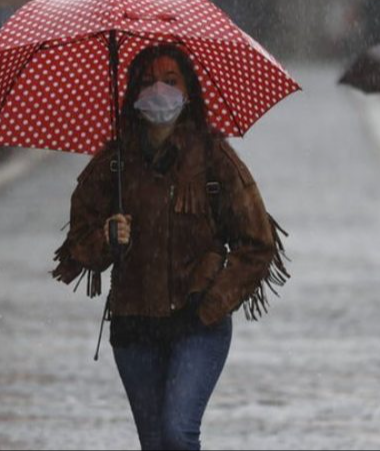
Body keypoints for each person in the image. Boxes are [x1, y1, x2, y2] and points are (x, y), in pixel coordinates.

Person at [53, 43, 288, 451]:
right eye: (148, 81)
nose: (158, 90)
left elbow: (257, 244)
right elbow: (77, 246)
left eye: (170, 80)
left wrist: (213, 302)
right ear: (132, 93)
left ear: (189, 90)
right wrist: (107, 238)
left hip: (198, 327)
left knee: (178, 433)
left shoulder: (215, 160)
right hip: (134, 327)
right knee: (155, 442)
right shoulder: (114, 163)